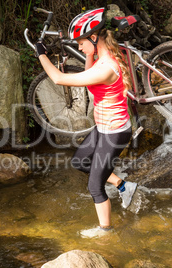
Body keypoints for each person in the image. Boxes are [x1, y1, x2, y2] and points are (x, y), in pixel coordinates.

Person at [35, 7, 138, 235]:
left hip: (114, 133)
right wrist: (89, 54)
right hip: (103, 128)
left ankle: (106, 231)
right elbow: (89, 76)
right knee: (79, 162)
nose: (79, 48)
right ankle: (124, 185)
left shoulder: (107, 68)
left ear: (93, 37)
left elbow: (59, 78)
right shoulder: (102, 58)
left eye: (81, 43)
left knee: (94, 185)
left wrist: (41, 54)